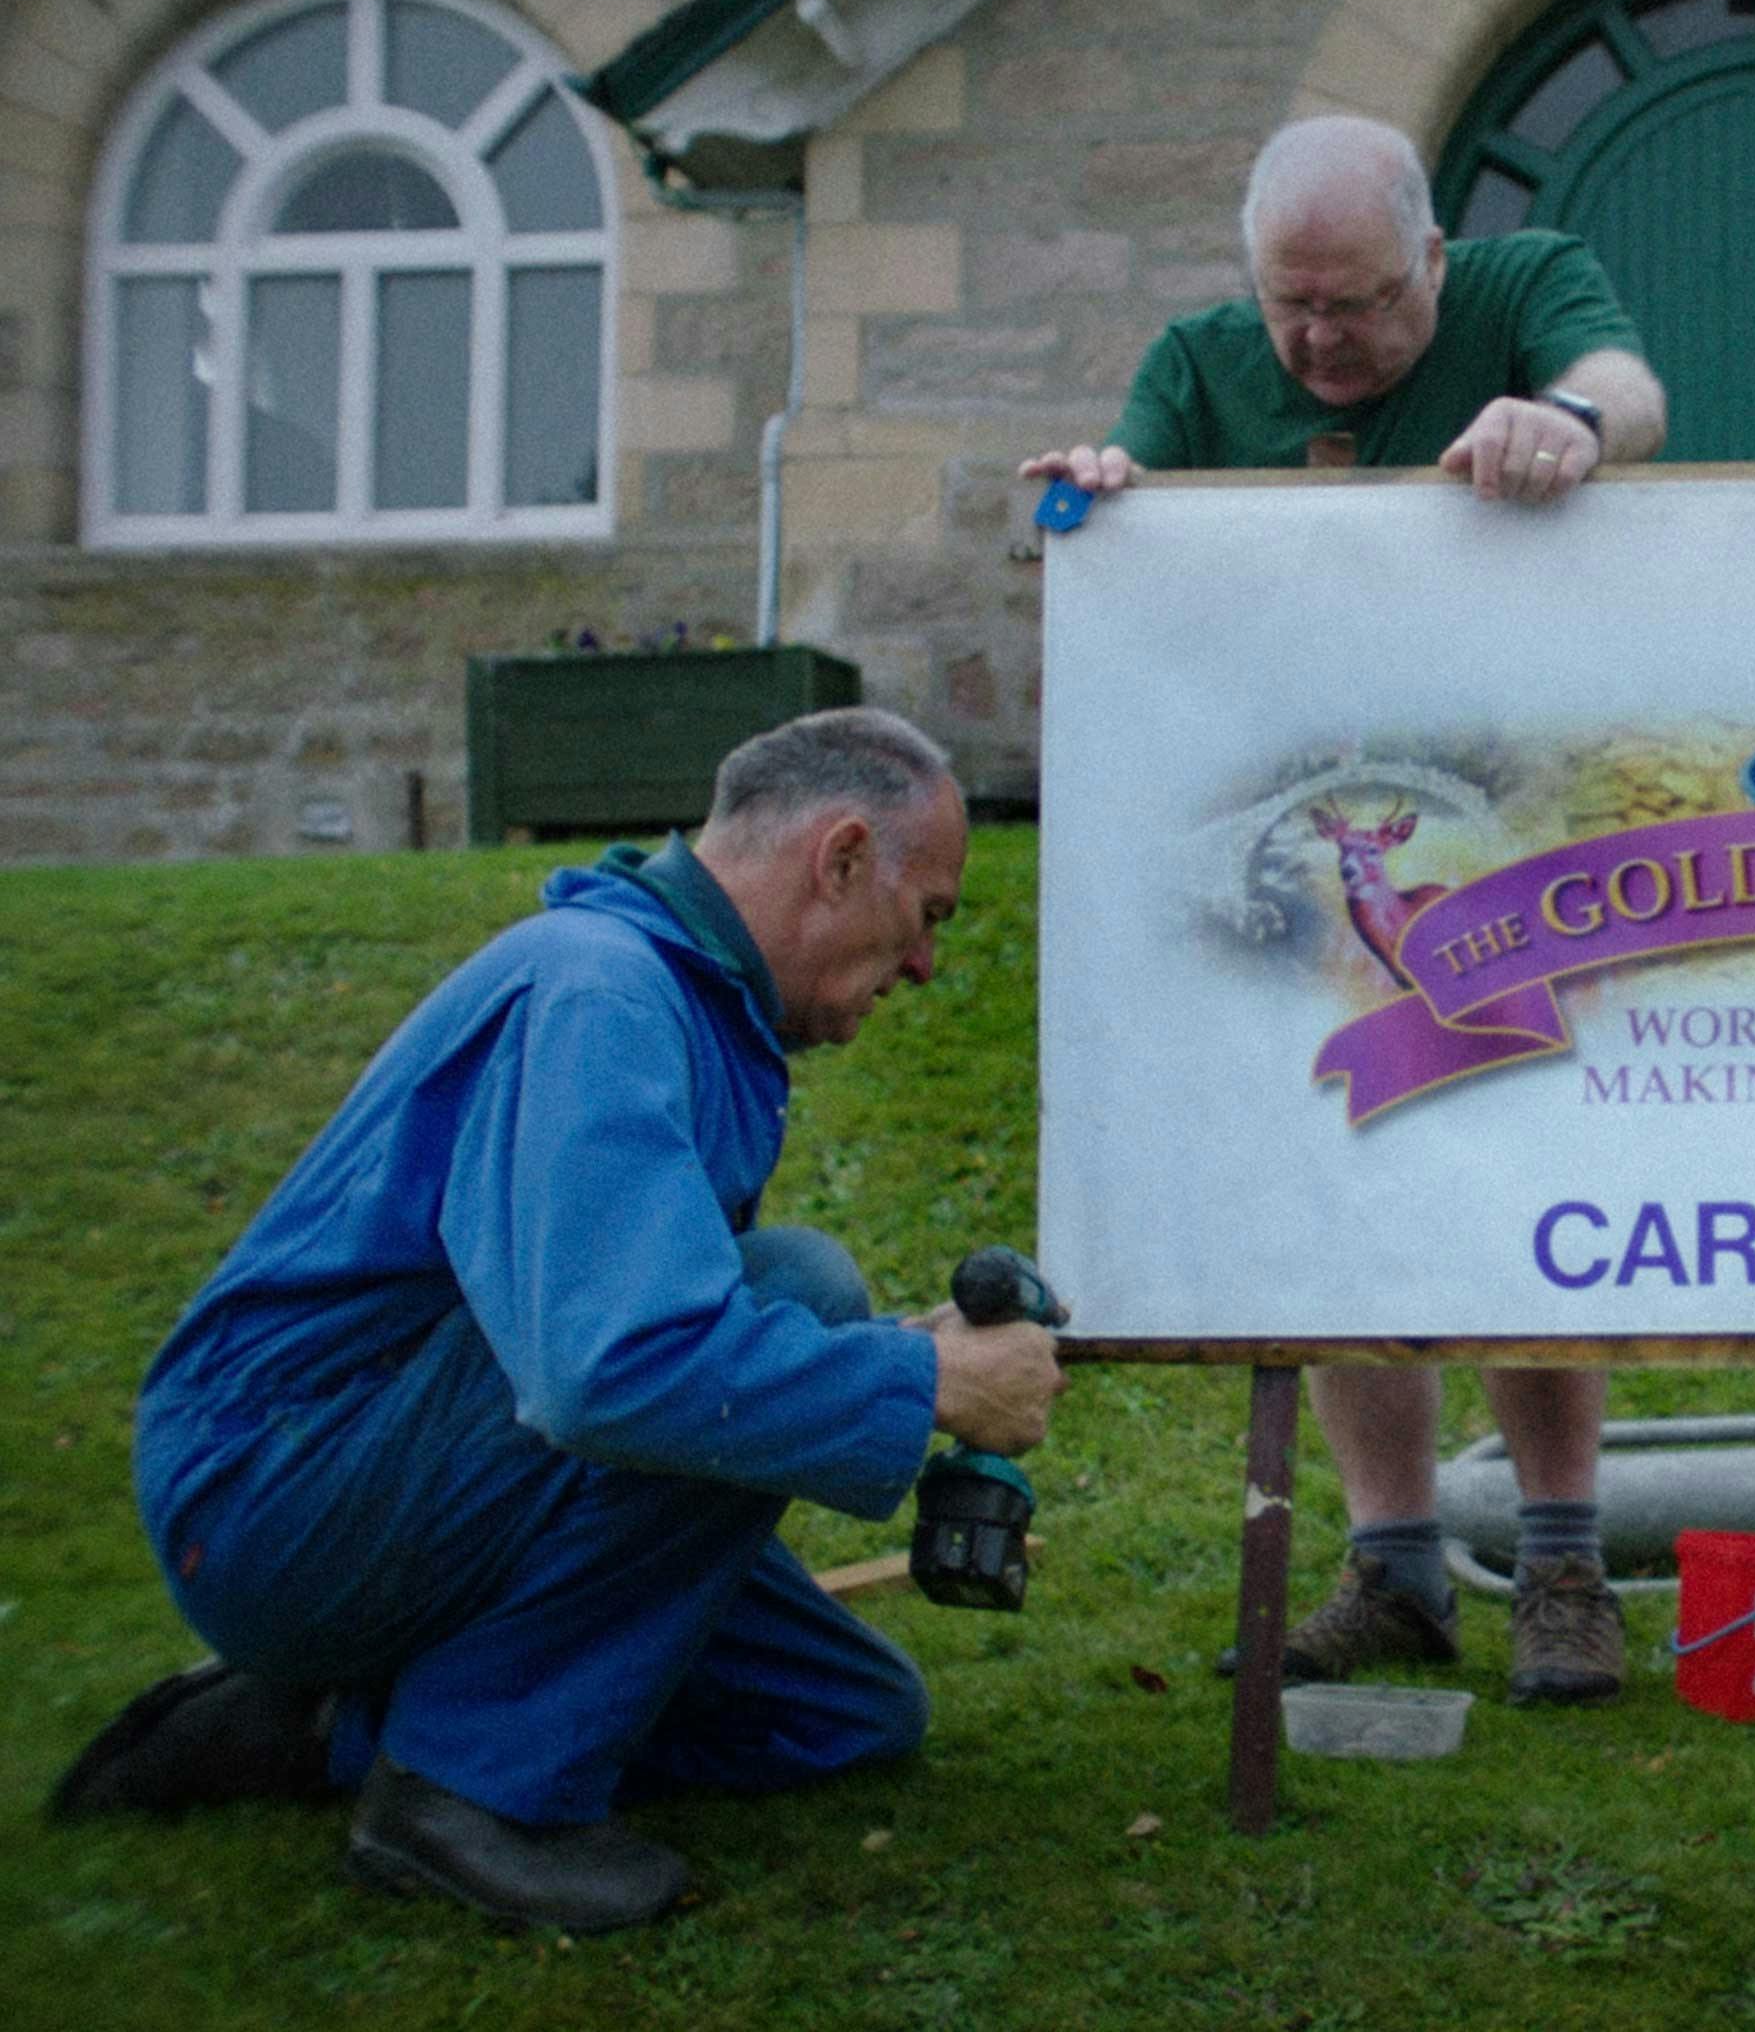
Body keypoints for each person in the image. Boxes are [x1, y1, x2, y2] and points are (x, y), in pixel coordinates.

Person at [50, 708, 1064, 1935]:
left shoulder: (679, 998)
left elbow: (620, 1335)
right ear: (840, 859)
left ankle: (318, 1721)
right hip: (275, 1492)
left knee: (844, 1713)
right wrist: (923, 1386)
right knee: (795, 1291)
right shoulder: (601, 991)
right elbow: (610, 1372)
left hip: (397, 1461)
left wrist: (885, 1366)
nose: (925, 966)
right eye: (929, 916)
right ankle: (465, 1794)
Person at [1024, 112, 1666, 1705]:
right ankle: (1394, 1571)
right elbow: (1136, 526)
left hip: (1520, 832)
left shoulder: (1528, 288)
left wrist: (1570, 424)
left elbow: (1632, 391)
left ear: (1435, 261)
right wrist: (1110, 496)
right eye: (1291, 304)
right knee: (1335, 1168)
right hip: (1307, 859)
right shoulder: (1199, 364)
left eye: (1362, 304)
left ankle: (1563, 1563)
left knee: (1529, 1155)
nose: (1317, 340)